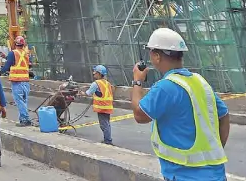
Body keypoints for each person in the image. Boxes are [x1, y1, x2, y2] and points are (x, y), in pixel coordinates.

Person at [131, 28, 229, 181]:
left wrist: (137, 81)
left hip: (184, 175)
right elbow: (223, 114)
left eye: (151, 53)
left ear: (157, 56)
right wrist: (216, 149)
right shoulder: (200, 81)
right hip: (216, 173)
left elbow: (139, 115)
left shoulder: (165, 87)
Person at [0, 36, 32, 126]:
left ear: (14, 44)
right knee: (24, 101)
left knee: (19, 101)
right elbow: (21, 63)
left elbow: (7, 66)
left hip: (17, 82)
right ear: (23, 44)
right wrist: (6, 57)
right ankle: (25, 119)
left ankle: (25, 120)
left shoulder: (13, 53)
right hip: (26, 81)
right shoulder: (26, 54)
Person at [85, 65, 114, 145]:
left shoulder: (96, 83)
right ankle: (107, 139)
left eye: (95, 73)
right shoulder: (107, 83)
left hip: (102, 107)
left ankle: (108, 141)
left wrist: (81, 93)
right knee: (107, 124)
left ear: (99, 73)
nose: (94, 74)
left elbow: (88, 93)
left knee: (104, 125)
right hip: (108, 107)